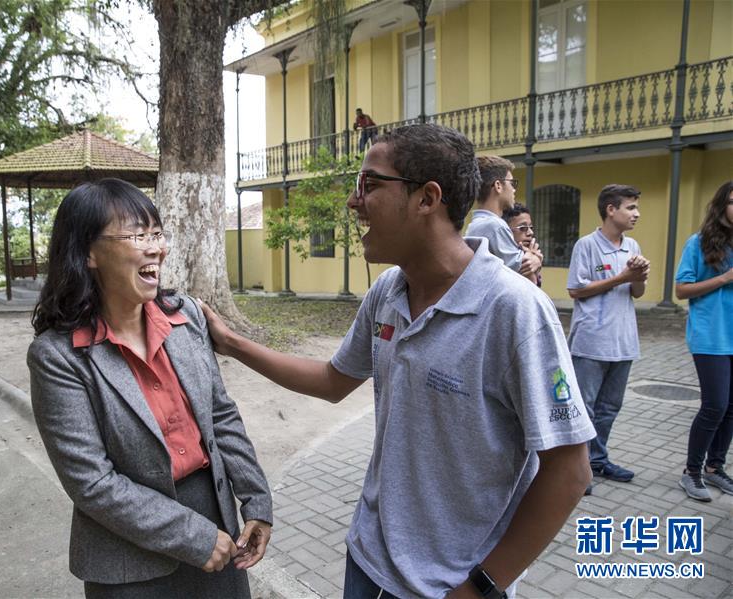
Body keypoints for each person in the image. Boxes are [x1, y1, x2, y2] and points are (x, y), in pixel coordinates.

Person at [202, 124, 594, 599]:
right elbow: (331, 380)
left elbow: (569, 471)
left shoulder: (515, 311)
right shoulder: (388, 292)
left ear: (427, 198)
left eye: (369, 184)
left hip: (450, 584)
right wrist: (232, 342)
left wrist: (481, 587)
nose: (353, 200)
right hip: (367, 559)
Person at [28, 179, 272, 598]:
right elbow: (91, 482)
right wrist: (194, 536)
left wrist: (257, 501)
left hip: (217, 525)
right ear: (87, 253)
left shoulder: (186, 318)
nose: (156, 248)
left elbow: (220, 415)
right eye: (138, 236)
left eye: (157, 234)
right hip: (127, 558)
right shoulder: (58, 356)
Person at [567, 184, 649, 493]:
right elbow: (576, 290)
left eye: (636, 207)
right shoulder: (586, 245)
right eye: (630, 207)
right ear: (611, 210)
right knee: (584, 409)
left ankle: (597, 460)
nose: (636, 214)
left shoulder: (633, 245)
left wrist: (638, 277)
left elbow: (636, 292)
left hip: (623, 341)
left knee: (609, 408)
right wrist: (623, 277)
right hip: (591, 341)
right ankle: (576, 470)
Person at [674, 180, 733, 502]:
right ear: (722, 205)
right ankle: (692, 471)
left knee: (731, 407)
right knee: (715, 405)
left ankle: (714, 467)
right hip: (711, 335)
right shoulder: (698, 243)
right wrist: (724, 278)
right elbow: (681, 290)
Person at [467, 155, 542, 280]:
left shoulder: (476, 224)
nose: (514, 190)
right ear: (498, 186)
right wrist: (535, 257)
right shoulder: (494, 225)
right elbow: (521, 268)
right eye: (512, 183)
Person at [503, 202, 543, 286]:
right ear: (506, 230)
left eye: (531, 227)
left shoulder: (530, 254)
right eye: (523, 228)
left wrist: (536, 267)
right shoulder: (503, 257)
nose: (530, 232)